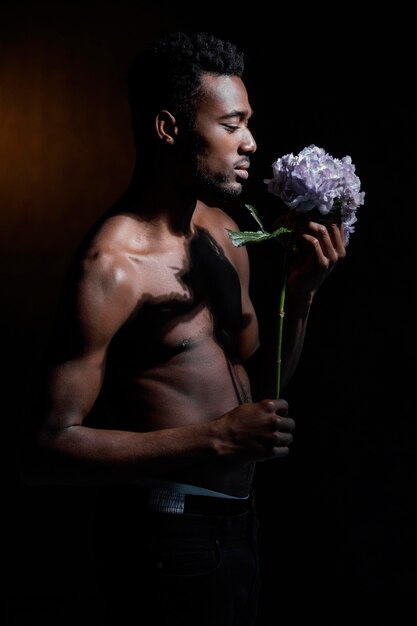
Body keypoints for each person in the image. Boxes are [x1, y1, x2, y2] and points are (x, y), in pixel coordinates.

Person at [20, 31, 346, 625]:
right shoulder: (112, 267)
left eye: (248, 123)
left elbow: (260, 388)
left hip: (239, 524)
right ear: (169, 128)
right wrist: (215, 438)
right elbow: (46, 449)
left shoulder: (224, 232)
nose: (250, 142)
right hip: (167, 537)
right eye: (231, 124)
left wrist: (299, 299)